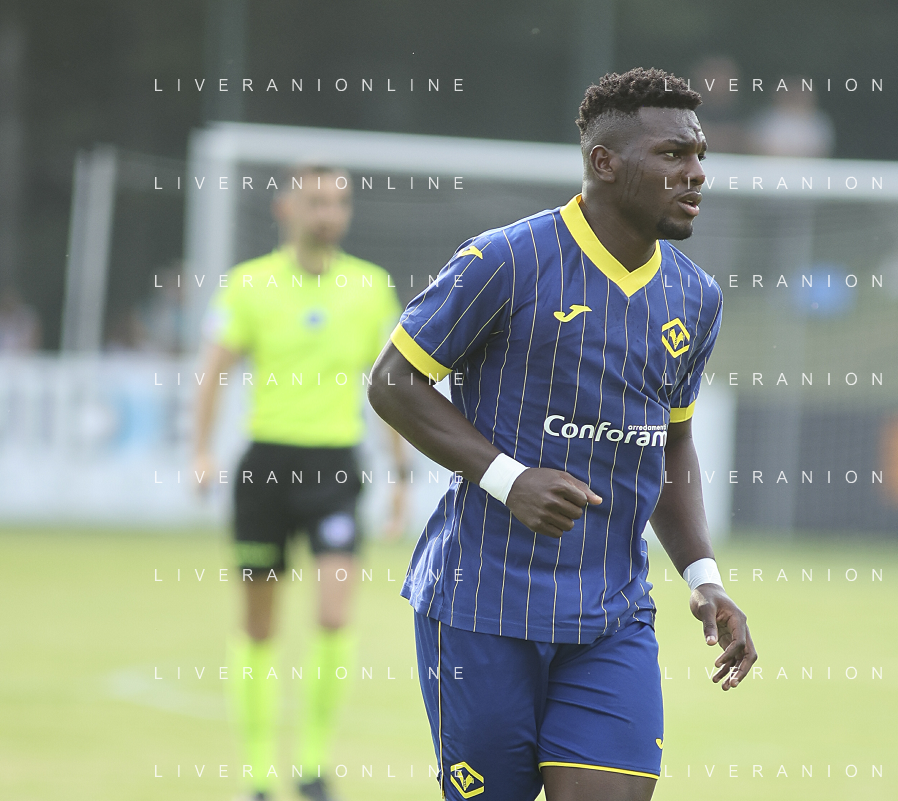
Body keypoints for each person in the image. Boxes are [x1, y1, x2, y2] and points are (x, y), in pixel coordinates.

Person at [368, 67, 757, 801]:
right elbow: (392, 381)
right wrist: (508, 478)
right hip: (481, 608)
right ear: (604, 162)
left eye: (699, 154)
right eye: (672, 153)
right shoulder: (505, 260)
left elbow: (670, 443)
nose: (696, 173)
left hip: (611, 614)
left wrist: (703, 577)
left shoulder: (694, 296)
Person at [193, 164, 409, 801]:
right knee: (259, 624)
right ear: (286, 208)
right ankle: (259, 775)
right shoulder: (248, 283)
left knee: (334, 613)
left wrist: (399, 474)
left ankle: (312, 767)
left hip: (335, 468)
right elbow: (214, 370)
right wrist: (201, 450)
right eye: (316, 201)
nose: (329, 213)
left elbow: (390, 385)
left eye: (339, 201)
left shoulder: (370, 287)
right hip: (265, 467)